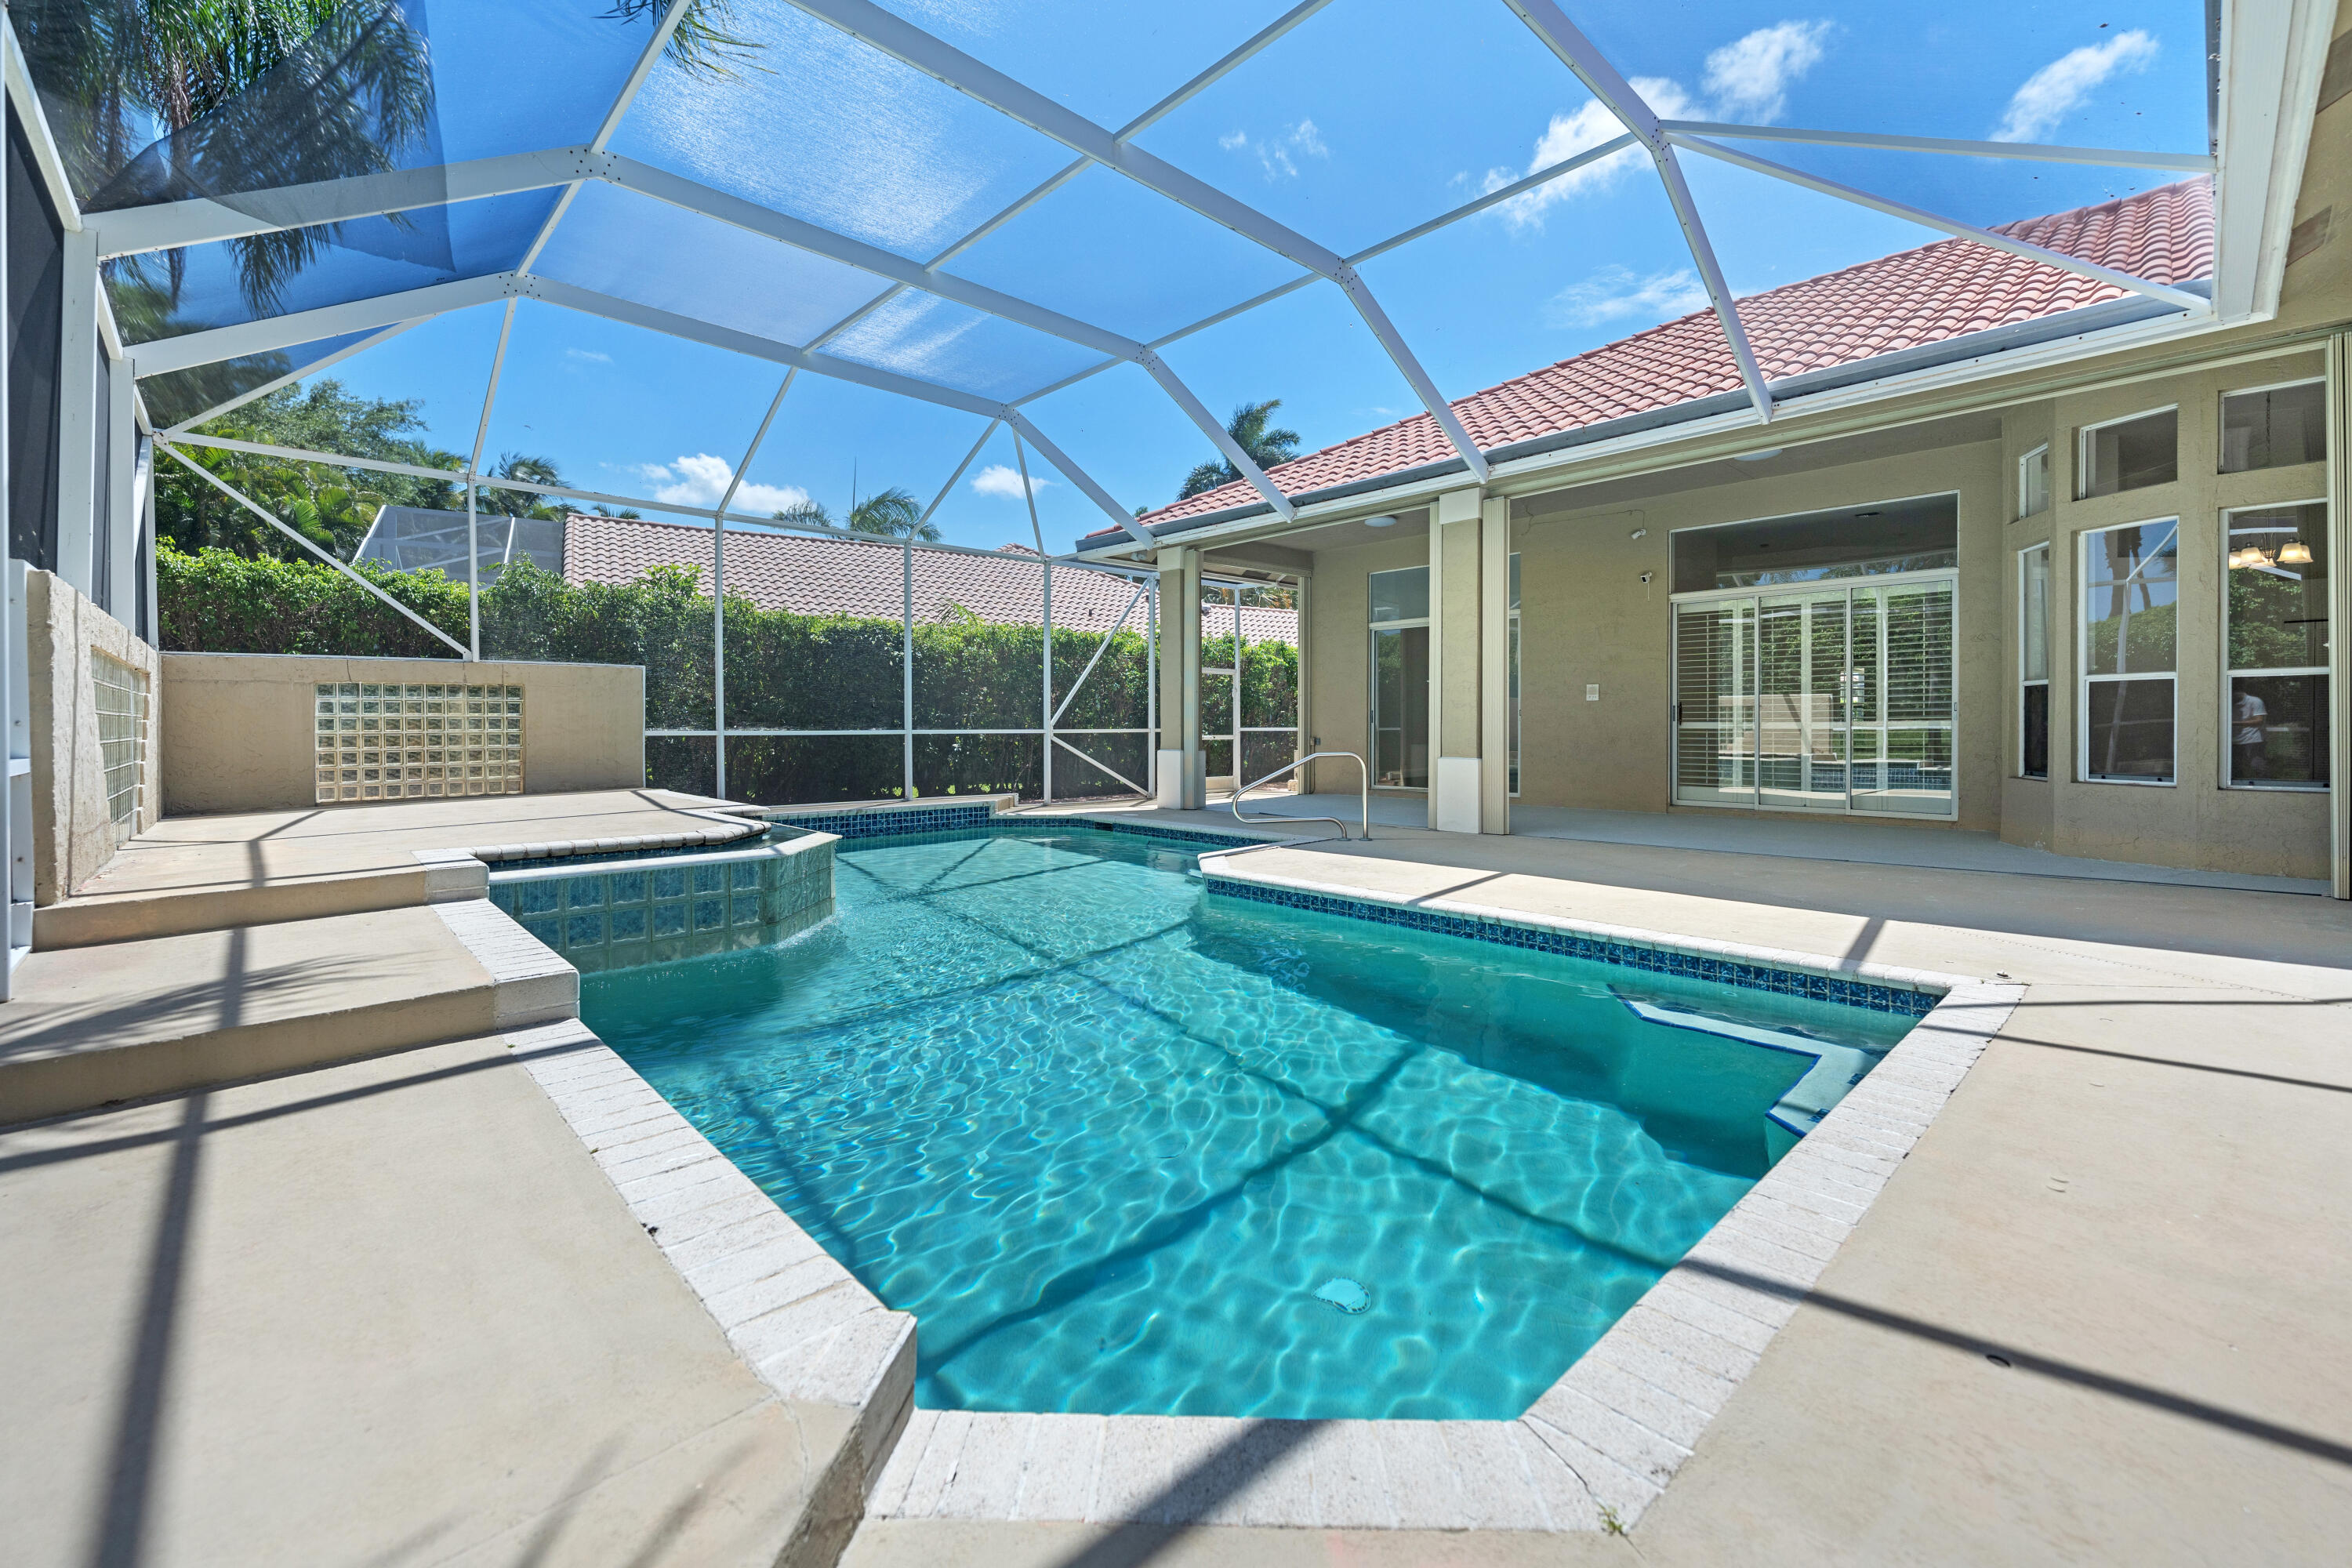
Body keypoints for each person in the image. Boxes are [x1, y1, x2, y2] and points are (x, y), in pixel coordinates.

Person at [2233, 686, 2270, 781]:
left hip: (2254, 740)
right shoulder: (2229, 701)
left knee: (2257, 765)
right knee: (2236, 768)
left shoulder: (2255, 701)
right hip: (2235, 740)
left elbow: (2259, 721)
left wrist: (2235, 723)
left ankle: (2264, 787)